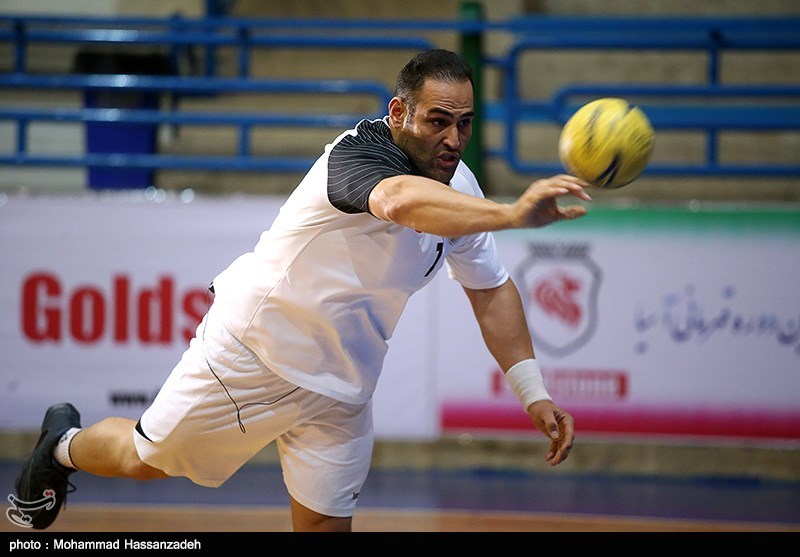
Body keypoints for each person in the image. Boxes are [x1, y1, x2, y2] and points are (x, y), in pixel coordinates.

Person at [15, 48, 589, 532]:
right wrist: (511, 214)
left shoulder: (459, 186)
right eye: (438, 121)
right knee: (145, 459)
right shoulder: (357, 154)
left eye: (464, 123)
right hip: (253, 357)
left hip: (342, 387)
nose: (453, 138)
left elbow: (491, 290)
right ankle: (60, 446)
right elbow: (397, 202)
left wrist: (533, 392)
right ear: (399, 113)